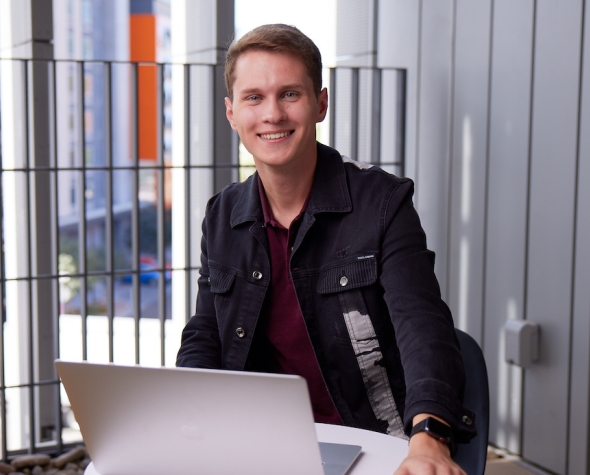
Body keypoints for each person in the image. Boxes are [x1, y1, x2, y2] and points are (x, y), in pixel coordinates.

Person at [176, 24, 476, 474]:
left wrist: (429, 436)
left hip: (373, 439)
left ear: (320, 103)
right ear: (232, 112)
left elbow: (422, 324)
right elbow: (205, 332)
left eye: (290, 94)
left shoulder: (382, 204)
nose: (272, 114)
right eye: (254, 97)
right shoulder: (223, 214)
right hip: (262, 442)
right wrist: (185, 417)